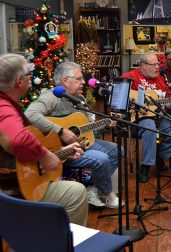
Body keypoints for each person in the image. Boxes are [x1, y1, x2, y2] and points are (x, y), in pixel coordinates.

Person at [0, 53, 88, 225]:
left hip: (17, 178)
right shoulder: (4, 108)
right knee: (76, 192)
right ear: (19, 81)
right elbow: (18, 140)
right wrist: (45, 156)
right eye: (28, 75)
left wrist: (58, 153)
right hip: (12, 188)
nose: (30, 79)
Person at [25, 62, 121, 209]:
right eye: (79, 79)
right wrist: (61, 131)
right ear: (65, 81)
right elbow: (30, 114)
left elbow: (88, 129)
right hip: (59, 151)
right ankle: (106, 193)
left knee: (117, 151)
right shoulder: (51, 97)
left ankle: (93, 188)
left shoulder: (80, 99)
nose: (83, 82)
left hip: (81, 143)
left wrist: (106, 124)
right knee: (102, 158)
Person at [122, 51, 171, 182]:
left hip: (159, 117)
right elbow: (119, 92)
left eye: (158, 64)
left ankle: (159, 155)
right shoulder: (131, 76)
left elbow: (168, 102)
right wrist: (135, 103)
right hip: (139, 118)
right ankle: (146, 165)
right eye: (153, 65)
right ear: (142, 65)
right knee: (150, 128)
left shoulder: (161, 79)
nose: (157, 67)